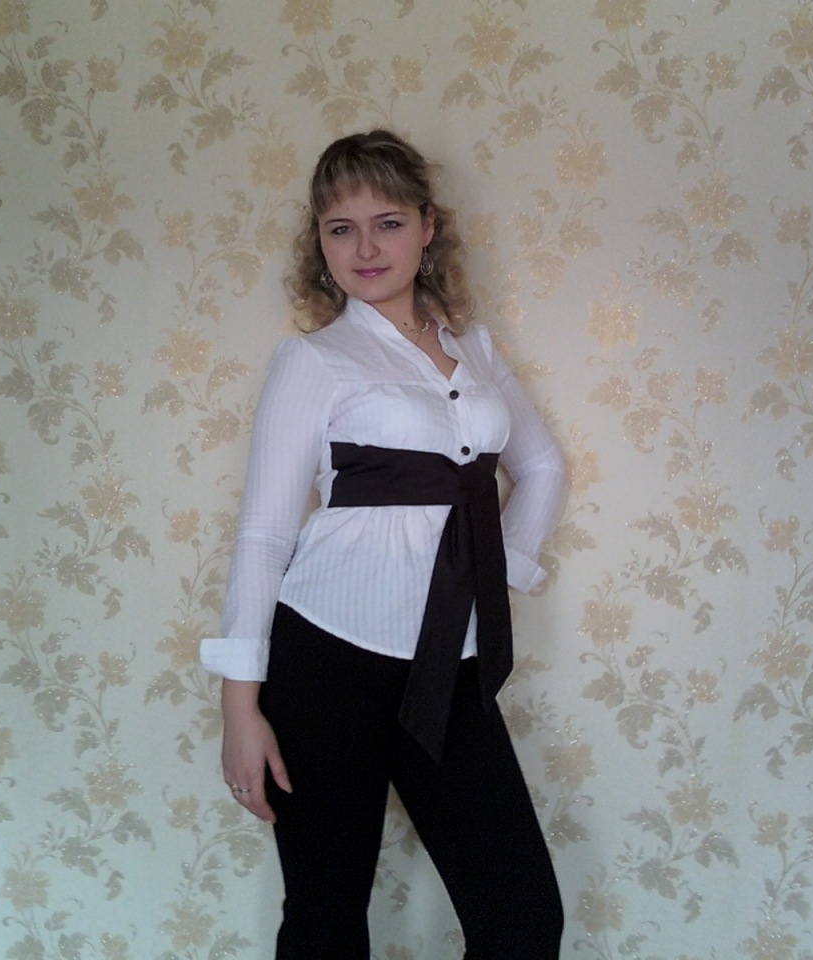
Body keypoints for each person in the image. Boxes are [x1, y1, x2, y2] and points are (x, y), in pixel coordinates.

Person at [200, 128, 567, 959]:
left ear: (428, 228)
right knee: (326, 919)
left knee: (521, 921)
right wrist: (240, 708)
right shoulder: (314, 361)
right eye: (342, 228)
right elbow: (264, 532)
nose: (365, 248)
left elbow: (541, 466)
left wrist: (493, 574)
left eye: (388, 223)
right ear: (320, 243)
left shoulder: (476, 352)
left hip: (452, 663)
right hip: (326, 661)